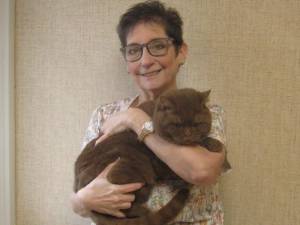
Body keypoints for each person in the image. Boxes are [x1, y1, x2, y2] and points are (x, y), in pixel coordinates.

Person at [71, 1, 231, 224]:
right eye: (134, 51)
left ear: (181, 52)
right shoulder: (104, 114)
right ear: (127, 61)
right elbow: (81, 188)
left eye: (158, 46)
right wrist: (80, 201)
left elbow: (202, 171)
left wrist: (136, 119)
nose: (146, 61)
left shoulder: (204, 111)